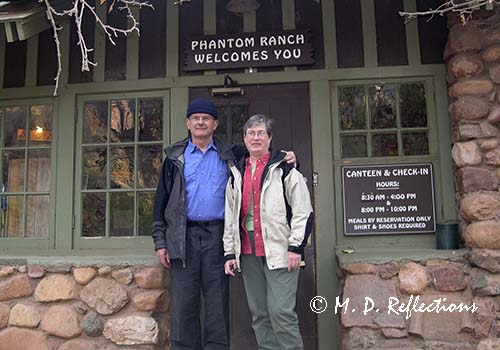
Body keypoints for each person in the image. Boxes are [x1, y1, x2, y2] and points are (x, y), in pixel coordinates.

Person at [152, 100, 296, 350]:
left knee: (217, 304)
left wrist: (287, 157)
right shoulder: (174, 158)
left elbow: (262, 155)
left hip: (217, 237)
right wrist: (160, 241)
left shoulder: (230, 154)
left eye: (206, 118)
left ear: (215, 124)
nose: (200, 122)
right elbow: (160, 202)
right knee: (184, 304)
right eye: (195, 118)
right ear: (187, 123)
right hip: (182, 238)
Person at [223, 114, 313, 350]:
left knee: (281, 313)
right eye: (251, 133)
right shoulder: (236, 173)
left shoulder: (285, 170)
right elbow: (230, 216)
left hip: (280, 251)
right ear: (244, 138)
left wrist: (296, 247)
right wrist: (229, 252)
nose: (256, 137)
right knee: (260, 315)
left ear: (270, 138)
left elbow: (304, 212)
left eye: (261, 133)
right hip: (248, 252)